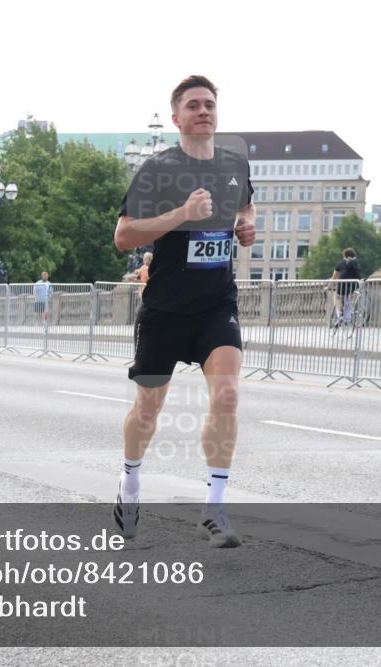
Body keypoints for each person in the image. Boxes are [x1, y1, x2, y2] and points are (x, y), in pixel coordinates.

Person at [112, 75, 255, 548]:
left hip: (216, 303)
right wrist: (181, 215)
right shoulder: (157, 171)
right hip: (166, 309)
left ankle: (214, 510)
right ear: (176, 118)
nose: (203, 111)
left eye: (209, 104)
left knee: (228, 395)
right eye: (193, 105)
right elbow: (123, 237)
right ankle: (130, 483)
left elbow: (247, 208)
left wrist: (246, 226)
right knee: (148, 409)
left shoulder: (235, 165)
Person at [330, 248, 362, 324]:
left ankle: (339, 314)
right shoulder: (356, 263)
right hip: (355, 285)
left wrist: (329, 286)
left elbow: (334, 277)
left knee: (336, 296)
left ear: (344, 256)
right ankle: (350, 312)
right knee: (350, 295)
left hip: (343, 285)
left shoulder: (341, 263)